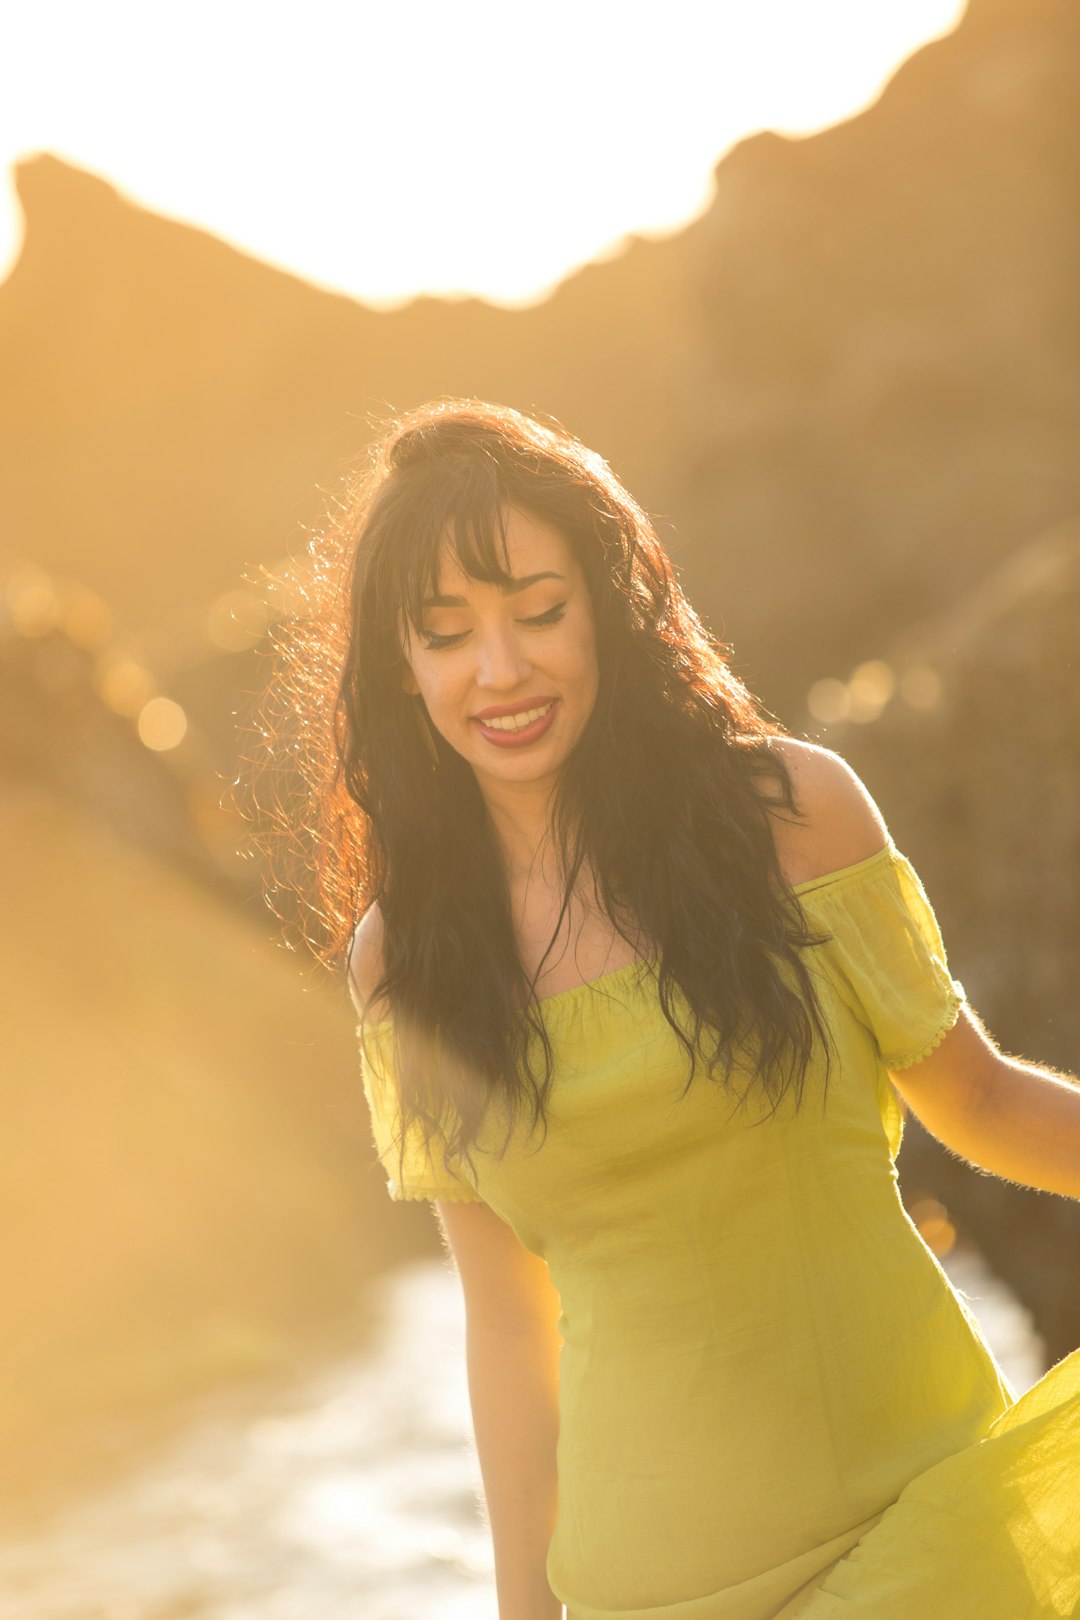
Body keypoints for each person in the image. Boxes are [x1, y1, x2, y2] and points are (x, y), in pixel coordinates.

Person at [268, 396, 1080, 1618]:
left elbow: (976, 1097)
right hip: (647, 1588)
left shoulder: (789, 816)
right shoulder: (408, 961)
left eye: (539, 612)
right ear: (401, 665)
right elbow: (506, 1329)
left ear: (608, 602)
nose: (502, 670)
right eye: (447, 634)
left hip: (935, 1528)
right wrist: (521, 1613)